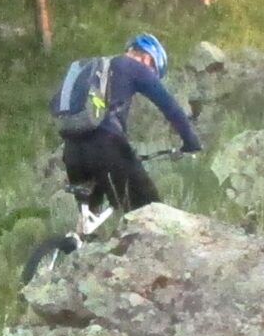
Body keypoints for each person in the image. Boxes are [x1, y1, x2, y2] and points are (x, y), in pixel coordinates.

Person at [59, 33, 201, 214]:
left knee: (90, 222)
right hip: (106, 147)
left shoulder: (93, 69)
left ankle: (80, 240)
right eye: (154, 72)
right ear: (148, 58)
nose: (151, 75)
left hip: (72, 150)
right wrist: (191, 142)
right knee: (150, 211)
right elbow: (171, 108)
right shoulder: (135, 67)